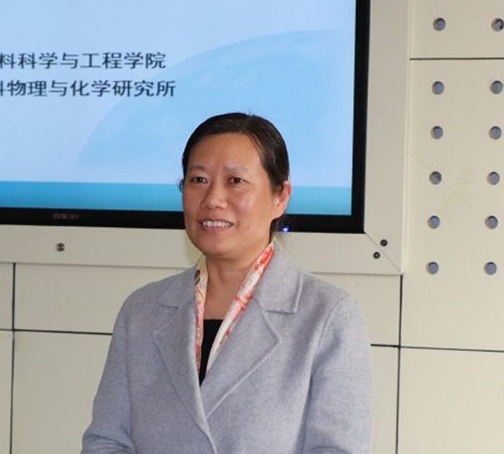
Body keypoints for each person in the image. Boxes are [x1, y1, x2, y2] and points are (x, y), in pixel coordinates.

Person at [81, 112, 373, 454]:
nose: (212, 199)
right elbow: (107, 441)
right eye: (198, 180)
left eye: (235, 180)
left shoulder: (327, 315)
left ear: (280, 197)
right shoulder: (142, 310)